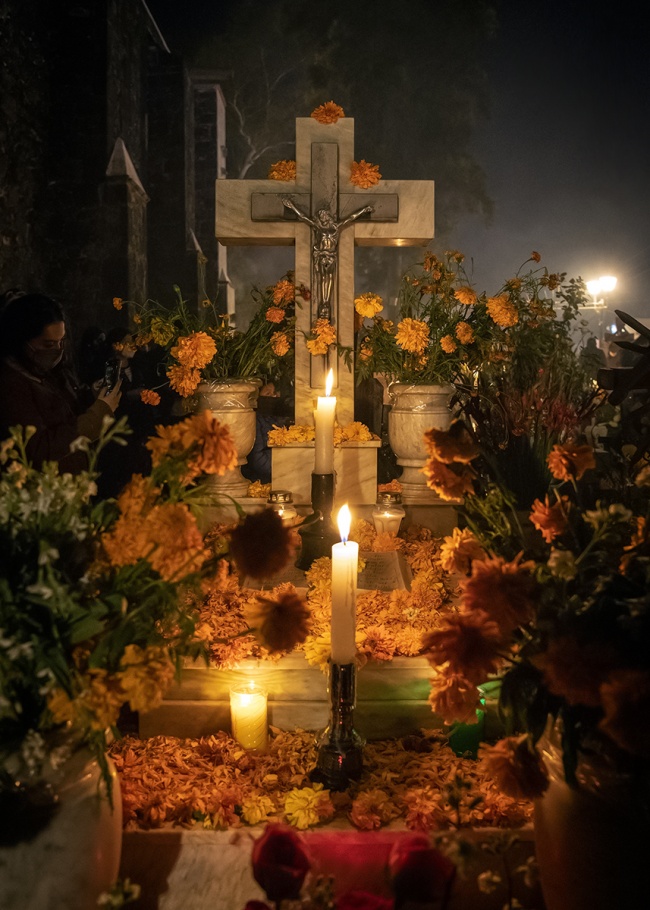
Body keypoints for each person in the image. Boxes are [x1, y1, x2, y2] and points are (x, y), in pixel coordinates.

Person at [0, 292, 121, 473]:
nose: (58, 351)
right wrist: (96, 415)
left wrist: (91, 398)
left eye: (61, 342)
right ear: (22, 341)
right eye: (48, 344)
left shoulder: (51, 372)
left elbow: (65, 414)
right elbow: (39, 450)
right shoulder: (11, 384)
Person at [281, 196, 373, 319]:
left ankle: (326, 303)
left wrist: (364, 210)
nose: (322, 218)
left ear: (328, 216)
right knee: (322, 279)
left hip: (331, 256)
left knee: (329, 277)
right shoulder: (318, 228)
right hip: (320, 256)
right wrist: (292, 207)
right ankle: (323, 305)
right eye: (320, 216)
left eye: (324, 215)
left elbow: (350, 218)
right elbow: (303, 217)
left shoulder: (335, 228)